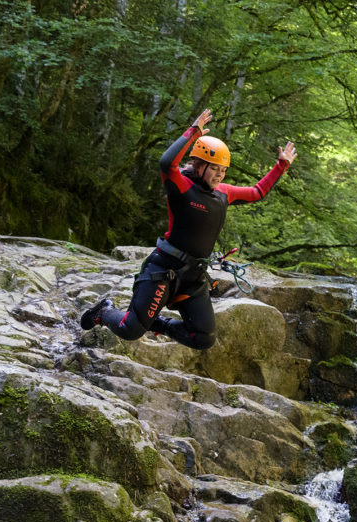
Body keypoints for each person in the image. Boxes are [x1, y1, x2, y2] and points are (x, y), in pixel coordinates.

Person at [80, 108, 297, 349]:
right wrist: (193, 132)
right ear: (199, 165)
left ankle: (154, 323)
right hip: (163, 271)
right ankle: (104, 311)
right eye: (214, 168)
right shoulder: (181, 185)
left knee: (204, 339)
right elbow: (166, 162)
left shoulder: (223, 192)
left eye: (223, 170)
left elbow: (257, 192)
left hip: (193, 277)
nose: (220, 174)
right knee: (129, 330)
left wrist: (281, 166)